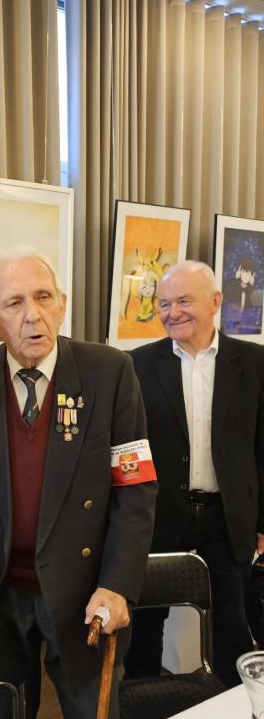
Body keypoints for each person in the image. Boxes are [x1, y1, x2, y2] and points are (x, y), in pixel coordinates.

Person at [0, 249, 157, 719]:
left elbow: (135, 488)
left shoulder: (110, 371)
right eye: (14, 303)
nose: (32, 315)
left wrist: (118, 585)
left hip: (84, 592)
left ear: (62, 305)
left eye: (43, 297)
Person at [124, 260, 264, 687]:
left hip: (227, 518)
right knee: (144, 633)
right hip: (159, 518)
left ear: (215, 301)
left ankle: (233, 716)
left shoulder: (255, 363)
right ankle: (144, 716)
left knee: (231, 631)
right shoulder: (136, 365)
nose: (173, 312)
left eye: (184, 300)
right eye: (164, 304)